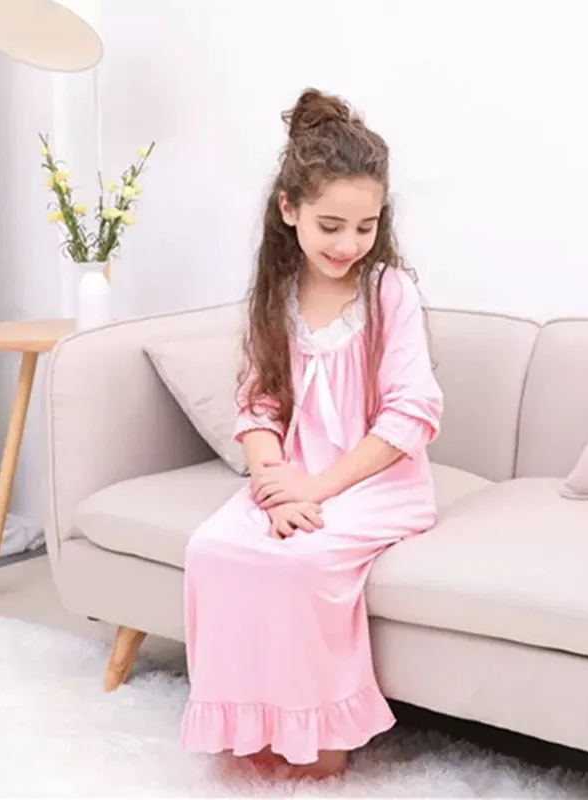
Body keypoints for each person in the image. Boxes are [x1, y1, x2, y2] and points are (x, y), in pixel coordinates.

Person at [179, 87, 444, 780]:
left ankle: (324, 737)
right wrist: (275, 486)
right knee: (210, 548)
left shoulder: (388, 293)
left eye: (365, 227)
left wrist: (316, 488)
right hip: (292, 476)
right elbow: (258, 405)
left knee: (305, 562)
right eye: (330, 225)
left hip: (376, 482)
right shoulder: (274, 295)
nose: (348, 245)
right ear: (289, 209)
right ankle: (256, 728)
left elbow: (411, 413)